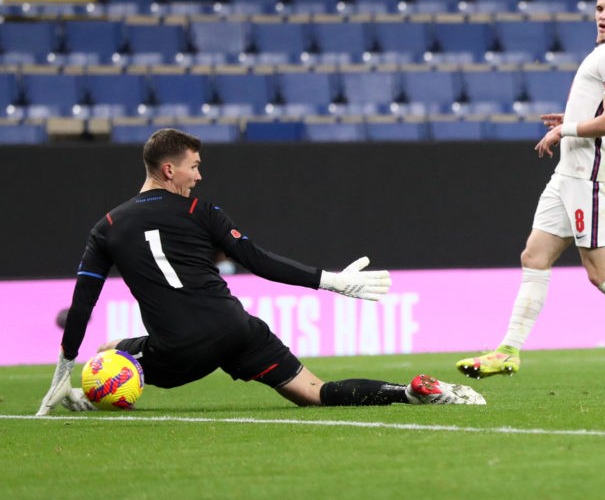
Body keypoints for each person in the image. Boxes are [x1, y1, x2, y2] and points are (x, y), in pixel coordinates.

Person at [36, 128, 485, 416]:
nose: (198, 176)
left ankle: (81, 399)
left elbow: (83, 302)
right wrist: (331, 280)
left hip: (180, 349)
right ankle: (408, 392)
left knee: (109, 351)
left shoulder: (107, 226)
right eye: (194, 167)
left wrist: (63, 367)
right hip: (236, 329)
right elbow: (258, 262)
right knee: (315, 391)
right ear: (169, 169)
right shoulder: (200, 211)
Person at [455, 0, 605, 387]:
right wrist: (576, 117)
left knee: (601, 273)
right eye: (599, 9)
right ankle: (508, 351)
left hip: (591, 176)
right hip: (570, 174)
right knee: (534, 256)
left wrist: (568, 129)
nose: (602, 16)